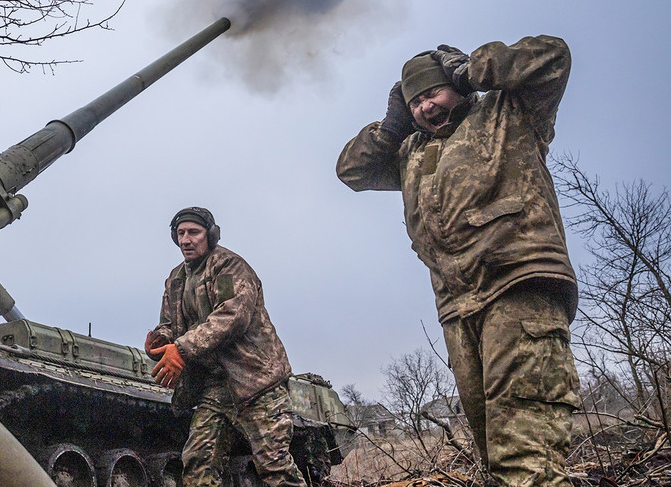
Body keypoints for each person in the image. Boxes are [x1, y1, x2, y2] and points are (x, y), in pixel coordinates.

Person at [336, 36, 581, 487]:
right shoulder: (411, 151)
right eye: (415, 102)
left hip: (517, 287)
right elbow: (352, 171)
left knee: (526, 459)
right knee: (497, 461)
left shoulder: (508, 114)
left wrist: (471, 70)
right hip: (458, 307)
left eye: (432, 93)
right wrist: (391, 126)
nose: (425, 107)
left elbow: (553, 56)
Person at [147, 207, 306, 487]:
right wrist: (161, 340)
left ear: (210, 235)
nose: (186, 239)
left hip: (256, 382)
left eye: (193, 232)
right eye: (181, 233)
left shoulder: (229, 266)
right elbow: (171, 323)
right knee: (198, 467)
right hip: (214, 387)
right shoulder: (175, 279)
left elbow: (231, 317)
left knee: (274, 467)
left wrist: (181, 349)